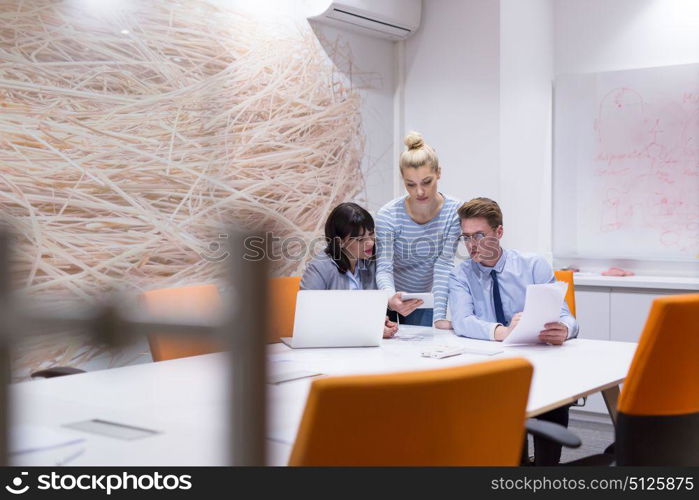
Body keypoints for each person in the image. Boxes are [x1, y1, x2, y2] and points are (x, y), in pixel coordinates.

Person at [448, 197, 579, 465]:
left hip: (539, 359)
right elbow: (462, 320)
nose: (472, 245)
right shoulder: (461, 274)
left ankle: (546, 469)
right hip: (493, 364)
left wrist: (564, 329)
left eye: (480, 235)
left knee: (553, 391)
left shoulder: (533, 266)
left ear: (499, 232)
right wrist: (501, 331)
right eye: (466, 237)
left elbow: (567, 316)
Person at [375, 131, 461, 328]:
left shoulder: (454, 211)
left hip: (421, 298)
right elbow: (384, 268)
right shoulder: (388, 215)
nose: (419, 192)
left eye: (427, 182)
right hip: (387, 293)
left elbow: (444, 266)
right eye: (410, 184)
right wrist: (390, 298)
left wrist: (439, 317)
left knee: (420, 347)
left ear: (439, 172)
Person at [300, 202, 398, 338]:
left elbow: (365, 311)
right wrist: (369, 328)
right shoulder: (319, 268)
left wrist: (378, 321)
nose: (370, 242)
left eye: (371, 234)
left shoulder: (370, 261)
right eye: (360, 239)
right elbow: (309, 320)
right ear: (340, 242)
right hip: (329, 349)